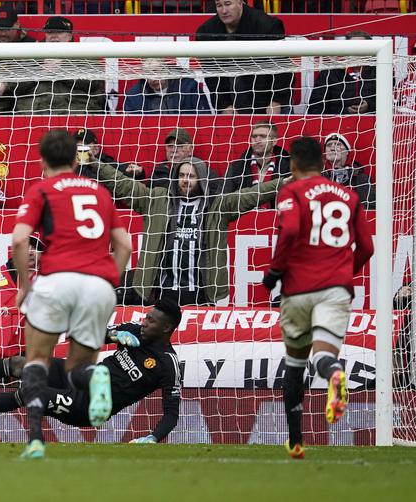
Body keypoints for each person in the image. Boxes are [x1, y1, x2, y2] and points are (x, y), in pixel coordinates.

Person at [11, 129, 132, 459]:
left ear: (42, 160)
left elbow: (20, 239)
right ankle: (97, 374)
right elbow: (125, 245)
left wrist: (24, 284)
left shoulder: (43, 190)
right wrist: (110, 282)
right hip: (98, 284)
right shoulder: (100, 192)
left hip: (57, 280)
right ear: (76, 158)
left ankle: (35, 440)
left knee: (37, 359)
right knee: (76, 369)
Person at [0, 301, 182, 445]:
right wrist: (115, 335)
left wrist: (152, 438)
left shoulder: (167, 364)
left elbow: (172, 413)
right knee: (22, 363)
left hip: (88, 406)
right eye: (146, 317)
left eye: (151, 321)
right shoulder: (135, 332)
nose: (144, 323)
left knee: (30, 392)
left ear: (167, 328)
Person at [262, 137, 373, 459]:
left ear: (293, 164)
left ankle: (296, 442)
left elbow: (292, 229)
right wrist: (341, 272)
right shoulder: (350, 196)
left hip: (297, 289)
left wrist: (275, 272)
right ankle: (334, 374)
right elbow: (367, 247)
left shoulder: (292, 191)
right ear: (323, 164)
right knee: (324, 354)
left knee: (295, 364)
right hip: (334, 289)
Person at [90, 147, 280, 305]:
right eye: (181, 175)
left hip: (200, 294)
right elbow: (122, 184)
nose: (185, 180)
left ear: (202, 178)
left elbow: (251, 194)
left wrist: (280, 183)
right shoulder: (157, 199)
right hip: (162, 292)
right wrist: (95, 163)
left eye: (191, 176)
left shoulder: (217, 205)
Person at [195, 0, 290, 113]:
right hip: (230, 104)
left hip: (267, 100)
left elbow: (283, 68)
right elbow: (212, 76)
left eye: (228, 4)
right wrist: (224, 106)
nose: (224, 11)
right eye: (219, 5)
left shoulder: (267, 25)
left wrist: (277, 101)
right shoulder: (205, 32)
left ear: (240, 3)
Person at [308, 31, 375, 115]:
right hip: (335, 125)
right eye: (352, 48)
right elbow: (315, 108)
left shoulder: (380, 72)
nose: (357, 52)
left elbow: (388, 104)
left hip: (374, 125)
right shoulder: (329, 73)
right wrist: (345, 111)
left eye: (361, 48)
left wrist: (369, 106)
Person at [121, 58, 212, 114]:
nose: (153, 79)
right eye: (148, 74)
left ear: (166, 69)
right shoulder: (133, 96)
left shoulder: (189, 88)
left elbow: (205, 118)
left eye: (156, 71)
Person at [224, 120, 290, 194]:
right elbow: (222, 199)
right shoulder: (237, 167)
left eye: (263, 136)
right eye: (254, 136)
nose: (257, 140)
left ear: (274, 141)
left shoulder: (287, 167)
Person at [320, 132, 374, 207]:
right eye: (329, 145)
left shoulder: (360, 178)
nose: (332, 148)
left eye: (337, 144)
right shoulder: (318, 176)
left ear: (347, 152)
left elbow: (369, 207)